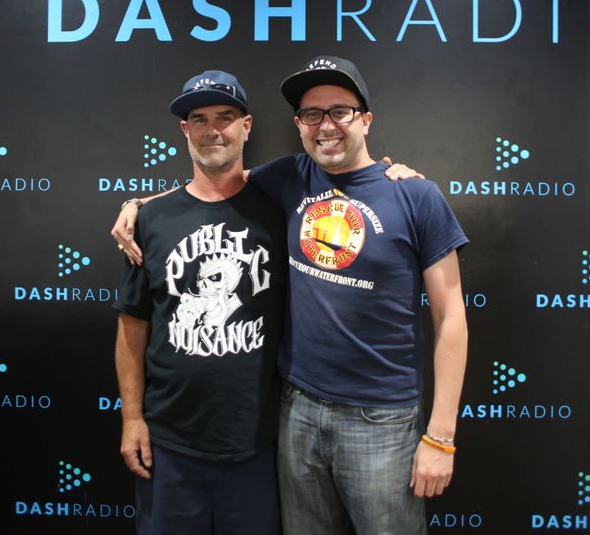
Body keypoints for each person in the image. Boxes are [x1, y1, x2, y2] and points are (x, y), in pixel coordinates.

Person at [113, 56, 465, 535]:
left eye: (340, 111)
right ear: (299, 124)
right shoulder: (291, 178)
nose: (326, 125)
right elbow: (214, 183)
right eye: (312, 114)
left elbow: (451, 317)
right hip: (296, 413)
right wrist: (137, 204)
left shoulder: (415, 195)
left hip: (380, 420)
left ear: (366, 119)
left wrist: (441, 437)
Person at [113, 70, 286, 534]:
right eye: (200, 119)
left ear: (246, 126)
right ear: (185, 130)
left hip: (259, 444)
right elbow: (132, 326)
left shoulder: (282, 212)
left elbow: (349, 178)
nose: (213, 130)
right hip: (169, 444)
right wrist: (132, 418)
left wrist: (392, 171)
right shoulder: (150, 220)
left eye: (225, 117)